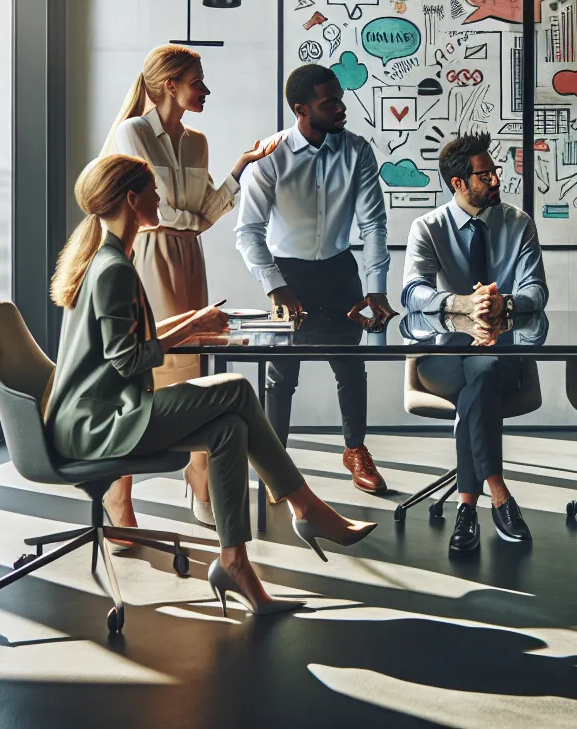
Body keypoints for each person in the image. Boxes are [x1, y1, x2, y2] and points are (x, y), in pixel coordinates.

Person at [45, 154, 375, 616]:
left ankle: (234, 562)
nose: (160, 197)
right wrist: (191, 325)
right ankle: (306, 507)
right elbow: (127, 360)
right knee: (237, 389)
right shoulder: (113, 268)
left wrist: (193, 323)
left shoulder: (108, 259)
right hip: (101, 424)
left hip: (96, 415)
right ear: (131, 198)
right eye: (153, 190)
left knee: (228, 431)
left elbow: (131, 340)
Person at [107, 44, 277, 531]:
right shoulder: (132, 133)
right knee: (141, 375)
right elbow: (156, 214)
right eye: (197, 81)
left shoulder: (198, 143)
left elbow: (203, 216)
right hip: (148, 258)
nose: (205, 90)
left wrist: (241, 167)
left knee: (195, 370)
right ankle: (119, 499)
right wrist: (190, 219)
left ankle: (198, 480)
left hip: (187, 260)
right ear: (170, 85)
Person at [234, 64, 394, 495]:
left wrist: (375, 286)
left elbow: (374, 225)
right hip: (288, 275)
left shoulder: (358, 150)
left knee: (350, 366)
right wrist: (274, 284)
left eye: (340, 97)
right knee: (280, 376)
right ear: (301, 109)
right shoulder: (270, 158)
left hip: (339, 270)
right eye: (330, 102)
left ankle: (355, 449)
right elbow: (247, 231)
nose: (341, 107)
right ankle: (275, 463)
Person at [401, 132, 549, 555]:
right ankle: (499, 493)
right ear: (458, 184)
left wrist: (505, 302)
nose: (496, 181)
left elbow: (537, 292)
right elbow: (411, 293)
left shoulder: (518, 223)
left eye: (495, 171)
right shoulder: (427, 228)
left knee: (480, 377)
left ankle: (467, 507)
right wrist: (460, 303)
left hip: (501, 355)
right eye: (485, 175)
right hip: (442, 358)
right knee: (476, 377)